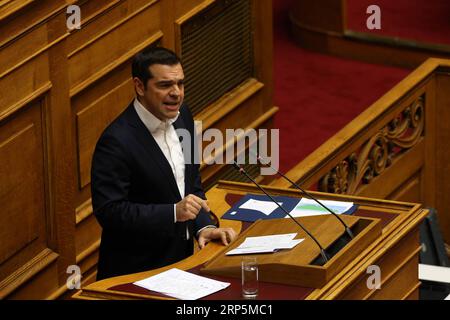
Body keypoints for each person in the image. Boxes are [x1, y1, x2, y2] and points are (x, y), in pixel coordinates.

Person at [91, 47, 236, 280]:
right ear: (139, 86)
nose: (176, 93)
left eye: (180, 83)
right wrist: (171, 213)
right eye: (165, 85)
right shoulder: (116, 141)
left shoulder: (183, 116)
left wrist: (204, 227)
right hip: (137, 271)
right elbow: (110, 212)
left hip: (182, 262)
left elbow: (190, 184)